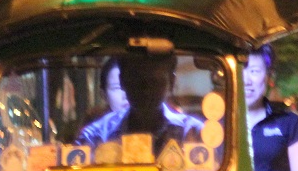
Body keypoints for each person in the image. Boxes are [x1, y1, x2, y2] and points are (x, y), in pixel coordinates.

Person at [74, 53, 202, 157]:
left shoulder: (194, 133)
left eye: (155, 81)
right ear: (122, 81)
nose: (145, 89)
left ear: (171, 82)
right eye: (137, 80)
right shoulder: (97, 135)